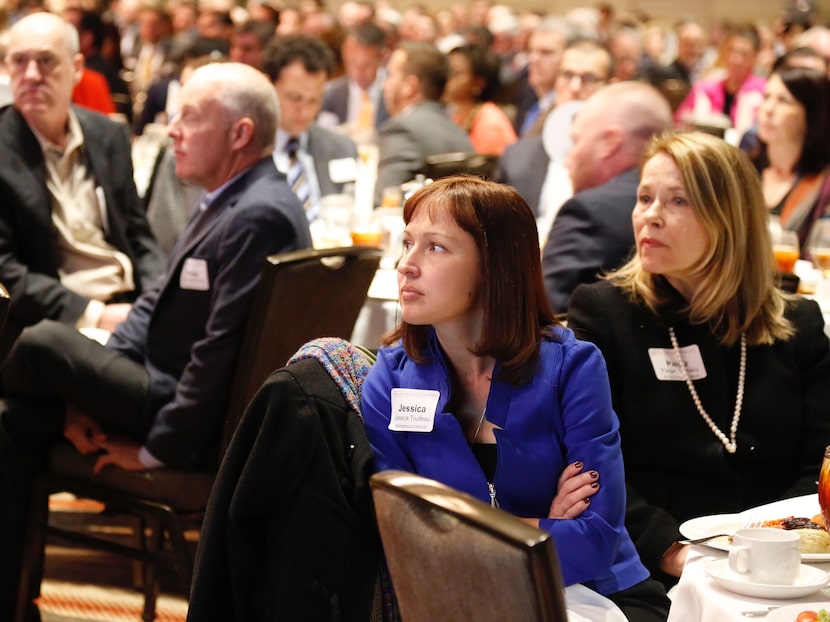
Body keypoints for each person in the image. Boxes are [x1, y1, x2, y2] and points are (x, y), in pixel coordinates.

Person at [0, 61, 312, 621]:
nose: (171, 131)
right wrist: (81, 393)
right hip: (157, 385)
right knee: (15, 417)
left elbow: (219, 356)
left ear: (240, 134)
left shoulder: (257, 213)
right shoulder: (231, 197)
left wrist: (156, 451)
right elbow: (152, 309)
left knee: (41, 339)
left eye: (189, 118)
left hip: (184, 417)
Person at [361, 176, 671, 622]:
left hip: (600, 592)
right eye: (408, 243)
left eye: (435, 248)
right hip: (463, 603)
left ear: (495, 267)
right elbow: (402, 545)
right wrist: (536, 527)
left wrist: (462, 535)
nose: (406, 265)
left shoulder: (573, 368)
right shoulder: (390, 378)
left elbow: (597, 538)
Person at [567, 131, 830, 589]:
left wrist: (777, 546)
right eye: (645, 197)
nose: (650, 216)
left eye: (677, 202)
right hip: (650, 563)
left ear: (729, 217)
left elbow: (819, 465)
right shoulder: (605, 313)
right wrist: (673, 552)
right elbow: (592, 467)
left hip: (784, 561)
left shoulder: (799, 323)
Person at [0, 12, 165, 363]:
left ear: (76, 68)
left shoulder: (107, 133)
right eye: (19, 61)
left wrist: (158, 301)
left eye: (46, 61)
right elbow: (6, 269)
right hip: (58, 321)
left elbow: (138, 233)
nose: (31, 75)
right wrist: (95, 314)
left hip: (129, 306)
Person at [541, 81, 673, 314]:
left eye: (576, 142)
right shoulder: (696, 204)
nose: (568, 159)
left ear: (610, 142)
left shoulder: (587, 211)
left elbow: (544, 320)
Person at [262, 33, 358, 222]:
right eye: (294, 98)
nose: (304, 111)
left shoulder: (341, 148)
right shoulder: (245, 151)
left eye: (314, 100)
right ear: (269, 85)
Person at [375, 41, 472, 204]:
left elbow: (385, 206)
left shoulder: (402, 130)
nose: (384, 85)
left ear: (410, 86)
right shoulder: (459, 132)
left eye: (390, 75)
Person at [754, 65, 830, 252]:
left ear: (811, 114)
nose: (768, 109)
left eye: (783, 101)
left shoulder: (824, 184)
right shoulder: (744, 168)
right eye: (766, 97)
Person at [674, 23, 766, 140]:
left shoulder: (764, 91)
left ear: (755, 57)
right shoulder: (706, 88)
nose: (736, 59)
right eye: (731, 51)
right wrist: (694, 118)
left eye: (744, 54)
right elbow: (677, 122)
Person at [443, 43, 516, 156]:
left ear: (478, 83)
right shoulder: (455, 115)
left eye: (456, 73)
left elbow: (488, 172)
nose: (446, 79)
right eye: (445, 71)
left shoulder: (490, 124)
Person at [320, 21, 389, 131]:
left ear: (382, 57)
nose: (358, 72)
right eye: (351, 63)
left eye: (366, 65)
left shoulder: (394, 92)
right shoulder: (329, 94)